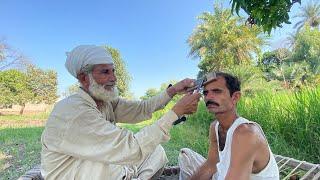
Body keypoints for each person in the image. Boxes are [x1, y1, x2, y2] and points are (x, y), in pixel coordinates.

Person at [41, 45, 201, 180]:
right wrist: (175, 112)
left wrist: (173, 90)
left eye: (113, 71)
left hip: (106, 167)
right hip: (75, 173)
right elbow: (131, 148)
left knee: (156, 151)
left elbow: (142, 108)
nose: (114, 78)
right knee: (116, 157)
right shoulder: (75, 111)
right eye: (105, 72)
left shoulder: (105, 101)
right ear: (84, 78)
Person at [178, 72, 279, 180]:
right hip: (226, 173)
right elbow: (211, 164)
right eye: (206, 93)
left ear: (235, 97)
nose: (208, 97)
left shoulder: (246, 133)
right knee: (186, 155)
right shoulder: (215, 127)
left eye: (217, 91)